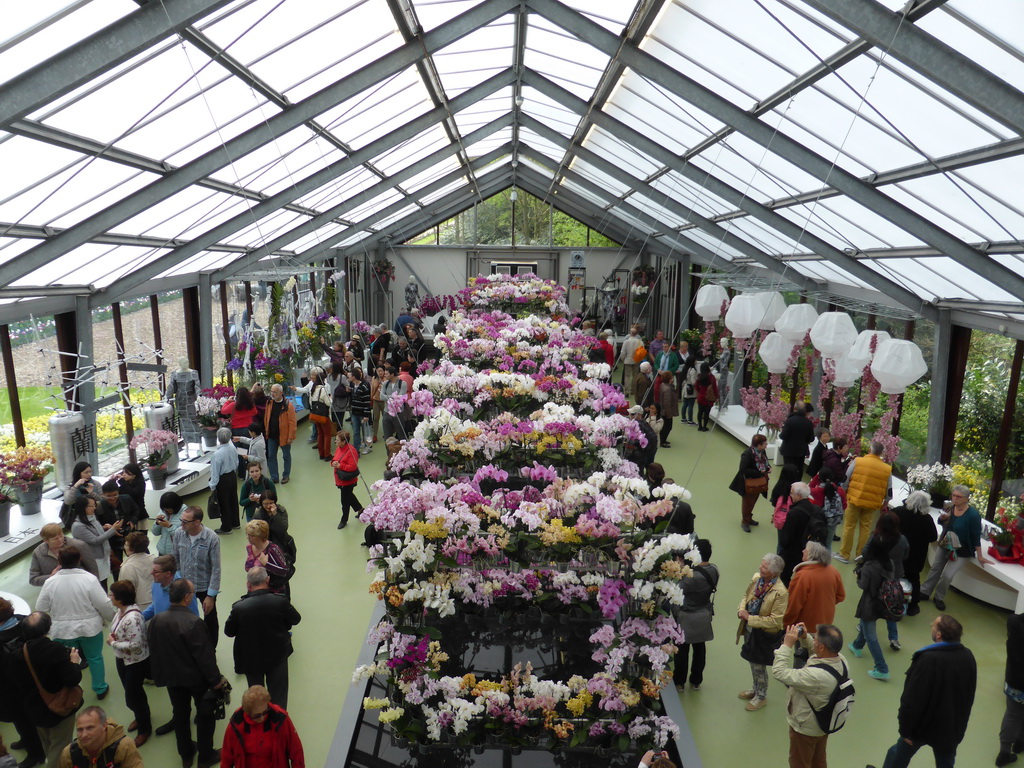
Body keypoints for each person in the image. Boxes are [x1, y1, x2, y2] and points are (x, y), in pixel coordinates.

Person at [868, 615, 976, 768]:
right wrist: (959, 729)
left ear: (939, 635)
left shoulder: (927, 659)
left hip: (922, 727)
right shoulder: (967, 656)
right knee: (945, 761)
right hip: (949, 727)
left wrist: (905, 730)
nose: (931, 626)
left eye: (933, 625)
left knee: (898, 755)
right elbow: (968, 695)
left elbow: (912, 699)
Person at [147, 579, 225, 768]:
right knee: (206, 715)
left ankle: (186, 753)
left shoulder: (157, 620)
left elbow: (154, 650)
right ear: (188, 597)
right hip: (196, 680)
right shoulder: (193, 622)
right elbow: (205, 657)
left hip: (172, 678)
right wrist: (216, 681)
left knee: (180, 715)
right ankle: (206, 755)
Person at [36, 546, 115, 698]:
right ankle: (100, 688)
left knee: (66, 661)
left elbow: (41, 607)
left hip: (62, 630)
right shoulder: (89, 579)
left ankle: (73, 689)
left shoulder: (50, 582)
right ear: (79, 560)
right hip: (90, 628)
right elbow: (103, 604)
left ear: (59, 561)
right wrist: (111, 618)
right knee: (95, 658)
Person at [6, 612, 84, 768]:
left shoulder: (18, 654)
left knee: (47, 743)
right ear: (47, 628)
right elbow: (72, 679)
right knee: (60, 747)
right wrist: (74, 662)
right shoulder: (55, 650)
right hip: (59, 708)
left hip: (34, 709)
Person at [771, 623, 848, 768]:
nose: (813, 640)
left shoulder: (815, 676)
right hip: (821, 724)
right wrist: (805, 638)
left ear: (822, 647)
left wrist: (787, 645)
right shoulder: (841, 660)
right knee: (818, 760)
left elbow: (779, 672)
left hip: (805, 729)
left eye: (815, 639)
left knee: (799, 762)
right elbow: (817, 652)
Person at [224, 570, 302, 709]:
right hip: (277, 657)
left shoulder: (239, 608)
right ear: (267, 580)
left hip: (251, 660)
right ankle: (279, 725)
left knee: (257, 699)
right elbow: (296, 619)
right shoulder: (280, 601)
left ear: (248, 584)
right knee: (279, 697)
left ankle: (260, 725)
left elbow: (229, 632)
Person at [919, 484, 991, 611]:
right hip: (946, 542)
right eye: (953, 495)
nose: (955, 498)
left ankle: (939, 597)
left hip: (962, 549)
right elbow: (943, 524)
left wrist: (979, 555)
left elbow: (975, 536)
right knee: (935, 568)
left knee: (948, 575)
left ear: (966, 499)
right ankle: (925, 591)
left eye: (959, 496)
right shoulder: (949, 507)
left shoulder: (973, 515)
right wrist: (942, 519)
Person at [736, 553, 788, 712]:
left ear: (774, 572)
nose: (760, 567)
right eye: (762, 564)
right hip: (751, 628)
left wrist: (750, 618)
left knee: (759, 664)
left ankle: (761, 696)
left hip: (764, 634)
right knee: (752, 660)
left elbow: (775, 621)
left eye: (764, 566)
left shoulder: (781, 592)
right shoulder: (757, 579)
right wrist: (741, 609)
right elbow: (746, 596)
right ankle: (755, 689)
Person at [105, 582, 151, 748]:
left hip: (135, 662)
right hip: (123, 659)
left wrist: (113, 643)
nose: (109, 597)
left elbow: (136, 644)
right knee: (134, 693)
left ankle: (145, 729)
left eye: (111, 595)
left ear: (120, 599)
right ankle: (141, 717)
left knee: (133, 696)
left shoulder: (133, 617)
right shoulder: (121, 611)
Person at [0, 602, 46, 768]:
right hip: (31, 680)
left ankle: (36, 754)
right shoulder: (24, 623)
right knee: (24, 721)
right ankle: (27, 741)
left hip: (11, 689)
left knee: (21, 720)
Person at [220, 685, 304, 768]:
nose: (262, 718)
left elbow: (296, 752)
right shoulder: (236, 724)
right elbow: (226, 758)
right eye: (257, 716)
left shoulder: (280, 719)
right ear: (247, 712)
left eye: (265, 712)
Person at [836, 440, 892, 564]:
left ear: (870, 450)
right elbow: (889, 489)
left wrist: (845, 493)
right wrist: (885, 503)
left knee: (849, 526)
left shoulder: (858, 461)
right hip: (872, 503)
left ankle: (844, 555)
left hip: (854, 498)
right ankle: (860, 556)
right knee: (865, 528)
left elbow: (846, 478)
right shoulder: (887, 468)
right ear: (881, 453)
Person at [172, 507, 222, 647]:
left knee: (210, 620)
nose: (181, 524)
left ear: (197, 522)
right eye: (181, 520)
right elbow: (175, 557)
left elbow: (216, 569)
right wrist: (179, 579)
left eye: (185, 521)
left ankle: (211, 650)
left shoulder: (212, 539)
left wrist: (211, 596)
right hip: (184, 586)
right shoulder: (179, 533)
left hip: (204, 587)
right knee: (186, 619)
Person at [848, 535, 894, 681]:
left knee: (871, 636)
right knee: (865, 625)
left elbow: (863, 585)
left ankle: (882, 668)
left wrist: (858, 575)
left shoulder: (869, 566)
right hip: (882, 601)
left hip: (869, 602)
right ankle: (857, 645)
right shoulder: (888, 563)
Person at [674, 538, 717, 692]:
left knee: (682, 651)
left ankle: (679, 682)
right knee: (700, 649)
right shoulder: (714, 570)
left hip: (686, 616)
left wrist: (679, 568)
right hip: (703, 615)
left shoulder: (691, 577)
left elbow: (676, 589)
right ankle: (696, 680)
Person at [783, 542, 846, 642]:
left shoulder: (803, 576)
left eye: (806, 550)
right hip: (826, 624)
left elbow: (794, 605)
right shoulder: (833, 571)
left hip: (806, 627)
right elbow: (841, 595)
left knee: (802, 653)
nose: (803, 551)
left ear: (811, 555)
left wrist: (786, 624)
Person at [892, 490, 938, 616]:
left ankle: (888, 599)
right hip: (916, 556)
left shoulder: (898, 512)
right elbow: (933, 537)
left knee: (892, 575)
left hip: (897, 552)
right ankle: (913, 605)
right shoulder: (927, 519)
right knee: (914, 579)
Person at [58, 706, 141, 768]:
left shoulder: (124, 746)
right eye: (80, 730)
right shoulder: (69, 754)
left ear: (104, 726)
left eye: (90, 728)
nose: (84, 735)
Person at [69, 496, 121, 591]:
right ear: (82, 508)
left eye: (94, 505)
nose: (94, 508)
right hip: (95, 559)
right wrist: (113, 529)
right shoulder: (78, 526)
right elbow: (95, 540)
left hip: (104, 555)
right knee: (99, 585)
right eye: (91, 506)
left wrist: (104, 528)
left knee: (104, 580)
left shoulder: (91, 518)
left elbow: (96, 532)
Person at [779, 483, 827, 586]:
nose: (790, 496)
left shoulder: (794, 513)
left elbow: (785, 540)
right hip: (809, 553)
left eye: (791, 493)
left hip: (792, 554)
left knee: (784, 578)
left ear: (799, 496)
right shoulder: (817, 509)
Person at [29, 523, 98, 586]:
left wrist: (95, 586)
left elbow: (93, 568)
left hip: (82, 586)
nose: (60, 539)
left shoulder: (78, 545)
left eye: (61, 535)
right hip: (58, 591)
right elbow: (33, 579)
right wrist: (51, 577)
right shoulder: (38, 553)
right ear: (46, 541)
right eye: (55, 539)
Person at [997, 612, 1024, 767]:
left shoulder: (1014, 621)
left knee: (1012, 714)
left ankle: (1004, 753)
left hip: (1014, 679)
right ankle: (1020, 743)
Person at [729, 434, 771, 533]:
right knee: (747, 502)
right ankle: (745, 521)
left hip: (759, 481)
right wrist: (759, 472)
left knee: (753, 500)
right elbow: (743, 469)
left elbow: (765, 462)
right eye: (765, 443)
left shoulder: (762, 451)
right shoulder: (747, 454)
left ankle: (749, 518)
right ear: (759, 445)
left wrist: (768, 467)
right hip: (749, 482)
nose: (766, 445)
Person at [141, 555, 200, 621]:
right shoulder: (156, 584)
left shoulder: (185, 589)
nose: (151, 573)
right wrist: (139, 618)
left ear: (168, 574)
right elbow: (156, 605)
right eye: (152, 570)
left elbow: (194, 617)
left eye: (156, 572)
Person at [243, 521, 291, 594]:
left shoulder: (273, 549)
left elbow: (284, 570)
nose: (248, 538)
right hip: (254, 591)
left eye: (252, 536)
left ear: (260, 537)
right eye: (247, 534)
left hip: (272, 592)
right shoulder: (249, 547)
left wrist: (267, 564)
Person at [210, 427, 241, 534]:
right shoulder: (233, 448)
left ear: (218, 438)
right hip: (232, 476)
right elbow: (237, 462)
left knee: (224, 503)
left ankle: (226, 527)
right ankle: (235, 522)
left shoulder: (217, 454)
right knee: (233, 499)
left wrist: (212, 485)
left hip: (223, 480)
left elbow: (215, 471)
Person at [264, 383, 297, 484]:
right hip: (272, 436)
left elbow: (292, 423)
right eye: (272, 392)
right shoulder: (269, 403)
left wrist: (290, 437)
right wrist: (266, 430)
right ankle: (274, 476)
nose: (272, 394)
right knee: (271, 456)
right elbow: (266, 417)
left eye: (275, 392)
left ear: (281, 393)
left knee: (286, 456)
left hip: (284, 436)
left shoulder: (288, 405)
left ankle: (286, 475)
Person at [253, 492, 295, 565]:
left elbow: (283, 529)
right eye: (265, 503)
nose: (268, 506)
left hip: (281, 544)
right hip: (265, 546)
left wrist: (275, 515)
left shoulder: (281, 511)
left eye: (271, 503)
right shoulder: (258, 514)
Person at [332, 431, 363, 530]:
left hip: (348, 481)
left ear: (344, 442)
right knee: (349, 496)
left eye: (337, 440)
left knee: (345, 501)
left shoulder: (351, 451)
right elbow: (334, 459)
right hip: (341, 480)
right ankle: (361, 510)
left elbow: (353, 467)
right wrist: (333, 463)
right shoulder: (339, 449)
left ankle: (344, 519)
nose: (335, 441)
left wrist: (340, 466)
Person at [809, 467, 846, 547]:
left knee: (815, 544)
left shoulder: (816, 491)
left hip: (819, 520)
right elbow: (844, 506)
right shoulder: (840, 490)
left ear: (820, 478)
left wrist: (816, 475)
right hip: (832, 520)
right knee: (828, 545)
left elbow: (810, 486)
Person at [117, 532, 154, 611]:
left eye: (126, 545)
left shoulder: (127, 567)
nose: (124, 547)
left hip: (139, 607)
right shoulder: (154, 559)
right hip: (155, 601)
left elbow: (126, 594)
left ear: (132, 548)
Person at [779, 403, 815, 471]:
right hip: (801, 452)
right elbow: (811, 438)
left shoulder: (790, 420)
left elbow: (783, 436)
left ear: (795, 409)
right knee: (798, 471)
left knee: (788, 471)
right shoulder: (808, 423)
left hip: (788, 451)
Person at [625, 405, 658, 478]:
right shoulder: (644, 423)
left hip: (640, 456)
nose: (630, 415)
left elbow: (635, 442)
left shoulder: (638, 425)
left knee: (638, 473)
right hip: (647, 454)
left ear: (639, 415)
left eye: (633, 414)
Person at [113, 464, 148, 529]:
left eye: (127, 473)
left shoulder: (140, 483)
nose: (123, 474)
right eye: (123, 472)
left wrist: (122, 482)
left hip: (139, 514)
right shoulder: (125, 483)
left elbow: (133, 494)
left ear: (134, 475)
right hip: (127, 514)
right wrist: (113, 481)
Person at [379, 365, 409, 440]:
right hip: (386, 412)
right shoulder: (385, 383)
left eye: (386, 374)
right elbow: (381, 397)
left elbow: (401, 398)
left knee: (401, 436)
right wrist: (394, 396)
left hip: (398, 413)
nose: (384, 375)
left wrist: (388, 396)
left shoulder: (402, 383)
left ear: (392, 374)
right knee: (387, 437)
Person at [152, 491, 186, 556]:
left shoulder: (185, 514)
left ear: (175, 506)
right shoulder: (163, 512)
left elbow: (183, 536)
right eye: (165, 509)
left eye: (168, 509)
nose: (166, 511)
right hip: (162, 550)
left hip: (176, 553)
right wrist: (157, 523)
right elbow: (155, 533)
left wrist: (169, 526)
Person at [349, 367, 372, 454]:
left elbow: (367, 402)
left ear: (354, 377)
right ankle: (356, 448)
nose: (349, 377)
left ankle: (368, 446)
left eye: (350, 376)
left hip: (362, 413)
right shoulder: (352, 386)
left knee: (365, 431)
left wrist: (366, 415)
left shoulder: (364, 387)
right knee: (356, 432)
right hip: (354, 412)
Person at [694, 362, 718, 432]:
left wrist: (700, 391)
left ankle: (700, 426)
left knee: (700, 412)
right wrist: (716, 396)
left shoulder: (699, 376)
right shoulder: (711, 377)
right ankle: (704, 427)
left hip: (701, 396)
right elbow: (714, 388)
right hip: (709, 397)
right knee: (706, 413)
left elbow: (696, 386)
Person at [656, 371, 678, 448]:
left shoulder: (663, 385)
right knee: (668, 427)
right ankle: (663, 441)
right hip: (666, 412)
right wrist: (669, 414)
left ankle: (663, 440)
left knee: (665, 426)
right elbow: (667, 403)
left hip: (663, 410)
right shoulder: (668, 389)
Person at [619, 325, 642, 392]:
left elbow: (623, 352)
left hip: (627, 360)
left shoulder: (627, 341)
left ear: (630, 333)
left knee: (627, 376)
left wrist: (623, 359)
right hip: (636, 360)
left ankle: (627, 390)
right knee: (635, 375)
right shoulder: (640, 342)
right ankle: (633, 390)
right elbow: (642, 352)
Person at [681, 361, 698, 426]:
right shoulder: (693, 370)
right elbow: (693, 382)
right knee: (691, 404)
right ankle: (690, 420)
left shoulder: (687, 368)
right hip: (691, 389)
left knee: (685, 404)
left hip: (686, 387)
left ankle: (683, 418)